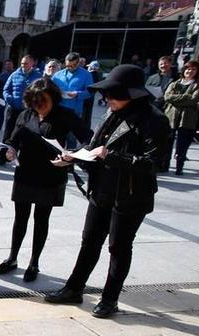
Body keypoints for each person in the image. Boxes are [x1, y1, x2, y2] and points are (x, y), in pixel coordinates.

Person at [45, 65, 170, 318]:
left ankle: (110, 299)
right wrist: (73, 158)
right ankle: (73, 289)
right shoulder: (112, 114)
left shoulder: (155, 120)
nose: (108, 99)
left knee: (119, 247)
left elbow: (151, 163)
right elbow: (93, 147)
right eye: (108, 94)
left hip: (131, 196)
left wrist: (111, 156)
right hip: (102, 190)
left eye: (114, 94)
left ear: (132, 94)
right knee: (89, 241)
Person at [0, 78, 93, 281]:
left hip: (51, 174)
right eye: (34, 102)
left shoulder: (65, 115)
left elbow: (89, 139)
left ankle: (34, 262)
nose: (39, 107)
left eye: (43, 102)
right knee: (20, 218)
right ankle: (12, 257)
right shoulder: (25, 114)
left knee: (41, 219)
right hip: (25, 173)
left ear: (54, 99)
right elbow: (13, 139)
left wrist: (72, 155)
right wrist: (11, 150)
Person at [0, 55, 42, 164]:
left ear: (32, 64)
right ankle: (3, 156)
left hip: (28, 112)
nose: (23, 66)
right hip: (13, 109)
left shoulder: (38, 76)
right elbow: (6, 89)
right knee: (8, 134)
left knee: (25, 134)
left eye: (26, 64)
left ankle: (22, 158)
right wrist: (9, 99)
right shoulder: (15, 74)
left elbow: (40, 91)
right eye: (22, 63)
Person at [163, 60, 199, 176]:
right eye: (188, 69)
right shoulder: (175, 83)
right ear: (184, 70)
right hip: (171, 116)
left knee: (182, 145)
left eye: (193, 69)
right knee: (167, 143)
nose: (190, 71)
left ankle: (179, 167)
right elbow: (167, 97)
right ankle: (164, 166)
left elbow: (194, 99)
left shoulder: (197, 85)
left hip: (187, 119)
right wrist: (185, 98)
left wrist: (176, 99)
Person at [148, 56, 179, 171]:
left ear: (171, 64)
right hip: (154, 109)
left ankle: (164, 164)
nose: (163, 66)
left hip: (169, 111)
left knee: (168, 138)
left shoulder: (177, 78)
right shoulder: (152, 78)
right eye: (161, 64)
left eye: (166, 63)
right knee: (153, 138)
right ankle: (154, 162)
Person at [51, 52, 93, 120]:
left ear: (78, 63)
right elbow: (50, 88)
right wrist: (57, 92)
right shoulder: (57, 75)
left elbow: (90, 92)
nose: (70, 68)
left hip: (75, 111)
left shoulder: (87, 75)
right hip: (58, 109)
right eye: (68, 66)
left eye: (73, 65)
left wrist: (77, 94)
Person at [0, 59, 14, 130]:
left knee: (10, 112)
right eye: (7, 64)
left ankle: (9, 127)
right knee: (1, 111)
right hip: (2, 96)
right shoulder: (2, 75)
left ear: (12, 65)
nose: (8, 66)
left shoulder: (15, 74)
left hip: (12, 96)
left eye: (9, 64)